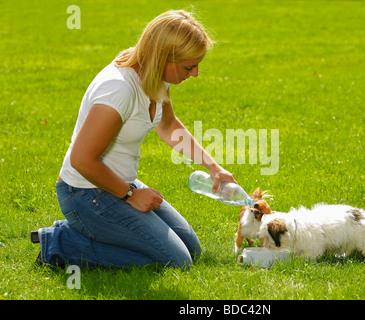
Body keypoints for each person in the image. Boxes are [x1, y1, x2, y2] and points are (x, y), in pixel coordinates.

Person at [31, 9, 236, 269]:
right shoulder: (118, 90)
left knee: (191, 250)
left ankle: (101, 234)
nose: (195, 73)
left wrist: (213, 168)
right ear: (163, 57)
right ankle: (59, 241)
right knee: (177, 262)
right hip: (84, 193)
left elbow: (169, 125)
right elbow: (82, 159)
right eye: (188, 66)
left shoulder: (154, 72)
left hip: (119, 183)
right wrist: (130, 195)